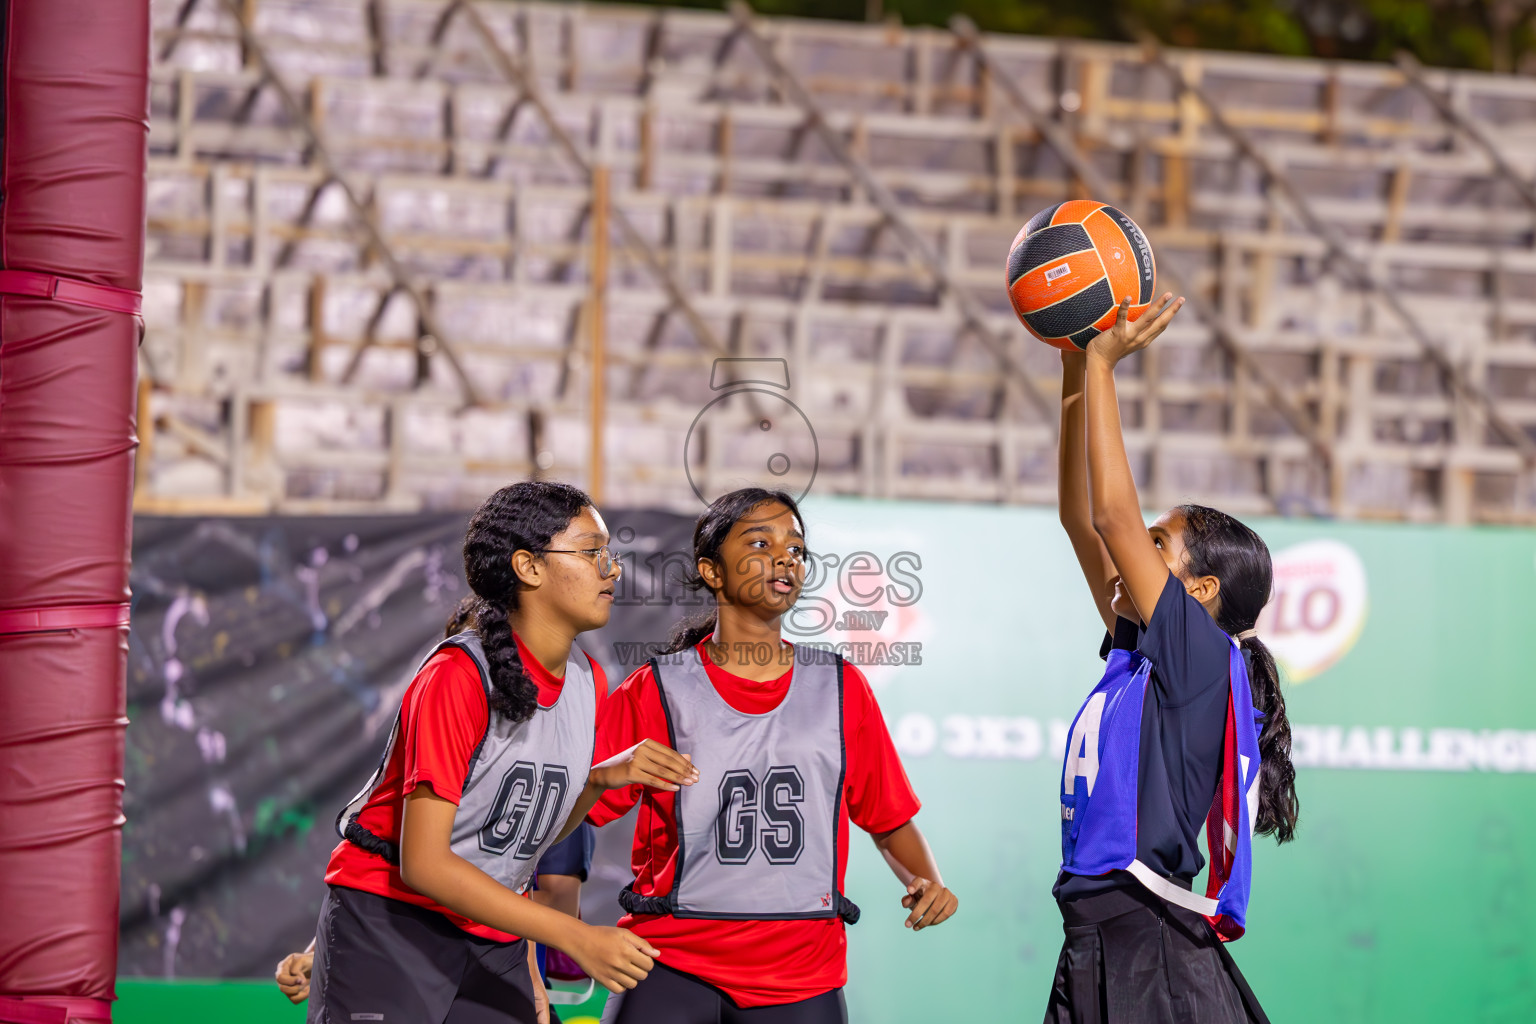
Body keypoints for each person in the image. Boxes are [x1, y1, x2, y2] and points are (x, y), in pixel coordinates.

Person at [303, 481, 699, 1024]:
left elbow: (523, 838)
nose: (612, 569)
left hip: (490, 933)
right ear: (528, 567)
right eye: (591, 552)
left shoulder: (588, 679)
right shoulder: (456, 677)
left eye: (609, 554)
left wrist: (598, 781)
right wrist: (572, 936)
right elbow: (424, 864)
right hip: (391, 923)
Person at [591, 487, 957, 1024]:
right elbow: (572, 813)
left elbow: (887, 816)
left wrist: (925, 880)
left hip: (802, 975)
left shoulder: (840, 686)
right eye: (760, 542)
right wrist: (599, 780)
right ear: (711, 571)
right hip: (672, 963)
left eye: (798, 548)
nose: (785, 557)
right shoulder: (655, 688)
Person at [1047, 295, 1299, 1023]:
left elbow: (1110, 516)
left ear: (1201, 590)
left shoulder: (1199, 656)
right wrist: (1074, 368)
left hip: (1152, 949)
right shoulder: (1142, 656)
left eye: (1159, 545)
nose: (1133, 551)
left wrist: (1104, 368)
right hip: (1096, 939)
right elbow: (1078, 516)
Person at [273, 599, 600, 1012]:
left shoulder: (547, 767)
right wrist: (320, 949)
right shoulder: (448, 703)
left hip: (495, 948)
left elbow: (524, 884)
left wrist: (536, 975)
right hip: (402, 931)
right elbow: (392, 852)